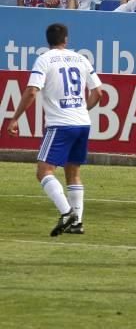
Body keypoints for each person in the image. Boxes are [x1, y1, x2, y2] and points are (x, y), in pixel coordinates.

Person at [5, 23, 103, 237]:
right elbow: (99, 93)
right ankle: (77, 222)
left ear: (47, 40)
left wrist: (15, 118)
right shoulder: (81, 59)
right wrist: (82, 109)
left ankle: (67, 213)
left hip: (60, 124)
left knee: (43, 171)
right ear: (66, 39)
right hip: (82, 123)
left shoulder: (45, 59)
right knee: (73, 173)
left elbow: (32, 91)